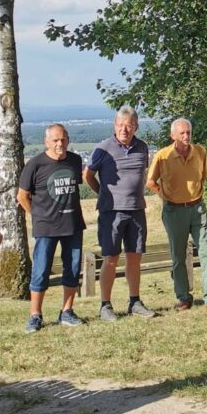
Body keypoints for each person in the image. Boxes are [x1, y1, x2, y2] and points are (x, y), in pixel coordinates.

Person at [83, 106, 156, 320]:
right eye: (121, 125)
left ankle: (135, 301)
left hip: (136, 210)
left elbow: (141, 173)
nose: (125, 129)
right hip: (111, 213)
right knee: (111, 259)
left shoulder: (142, 147)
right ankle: (105, 306)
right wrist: (102, 193)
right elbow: (88, 175)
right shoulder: (103, 148)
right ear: (114, 125)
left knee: (134, 258)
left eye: (129, 125)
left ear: (136, 127)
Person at [146, 118, 207, 312]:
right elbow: (150, 182)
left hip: (197, 208)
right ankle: (183, 297)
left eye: (188, 132)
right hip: (173, 211)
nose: (186, 136)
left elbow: (203, 177)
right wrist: (164, 196)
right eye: (182, 133)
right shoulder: (162, 156)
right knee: (178, 256)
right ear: (172, 136)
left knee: (206, 253)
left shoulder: (200, 152)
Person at [17, 124, 86, 332]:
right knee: (41, 271)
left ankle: (66, 312)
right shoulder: (35, 164)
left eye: (63, 139)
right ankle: (35, 315)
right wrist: (38, 216)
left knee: (72, 269)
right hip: (46, 228)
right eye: (55, 140)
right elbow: (22, 197)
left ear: (68, 140)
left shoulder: (75, 160)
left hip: (73, 225)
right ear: (46, 141)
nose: (59, 144)